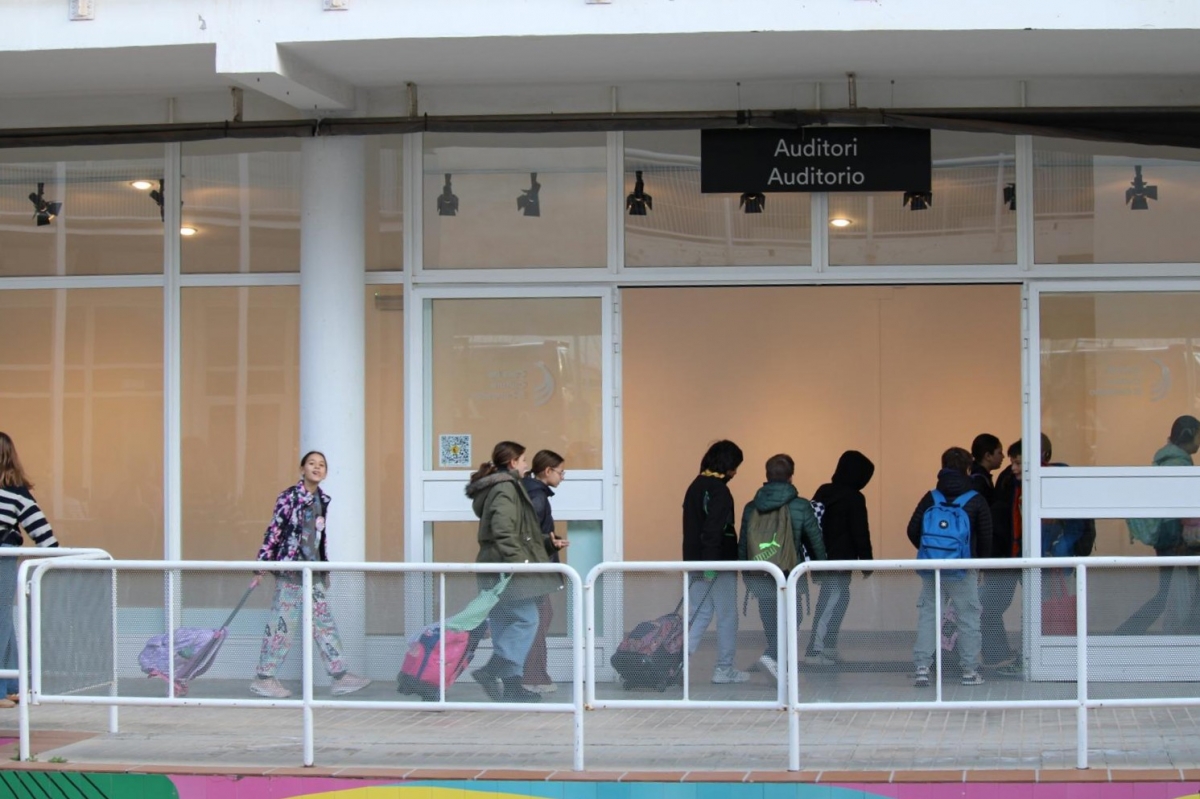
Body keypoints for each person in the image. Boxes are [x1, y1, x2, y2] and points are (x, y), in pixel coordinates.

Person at [251, 451, 370, 699]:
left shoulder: (321, 500)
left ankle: (340, 676)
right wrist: (261, 566)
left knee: (324, 623)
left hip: (312, 572)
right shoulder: (289, 497)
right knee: (282, 625)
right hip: (291, 572)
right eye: (312, 463)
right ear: (302, 469)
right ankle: (264, 678)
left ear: (325, 472)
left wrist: (324, 568)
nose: (317, 468)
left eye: (321, 465)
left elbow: (318, 539)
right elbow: (274, 531)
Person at [466, 441, 561, 703]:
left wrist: (546, 543)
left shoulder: (501, 487)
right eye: (524, 460)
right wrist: (520, 563)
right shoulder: (506, 487)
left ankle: (512, 686)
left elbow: (518, 532)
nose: (527, 465)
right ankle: (492, 669)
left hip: (496, 567)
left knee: (505, 623)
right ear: (512, 462)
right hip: (506, 570)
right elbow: (504, 531)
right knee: (528, 619)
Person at [908, 446, 992, 687]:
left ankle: (922, 668)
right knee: (968, 618)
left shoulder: (931, 497)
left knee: (928, 616)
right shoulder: (975, 499)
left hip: (932, 569)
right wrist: (979, 563)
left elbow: (912, 530)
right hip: (963, 569)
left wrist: (930, 552)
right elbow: (986, 535)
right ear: (968, 468)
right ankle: (969, 671)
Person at [738, 454, 826, 679]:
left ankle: (775, 665)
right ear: (790, 476)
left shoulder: (751, 507)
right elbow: (814, 540)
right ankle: (772, 657)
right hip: (790, 573)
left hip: (761, 573)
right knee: (793, 617)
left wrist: (746, 573)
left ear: (767, 475)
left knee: (770, 619)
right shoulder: (800, 506)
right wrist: (822, 569)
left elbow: (743, 544)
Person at [1117, 415, 1200, 635]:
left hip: (1167, 538)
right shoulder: (1178, 464)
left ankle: (1188, 633)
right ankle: (1126, 633)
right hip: (1178, 539)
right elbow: (1183, 507)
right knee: (1174, 594)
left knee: (1176, 594)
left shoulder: (1166, 460)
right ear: (1189, 435)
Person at [0, 433, 59, 710]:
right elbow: (43, 535)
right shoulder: (17, 493)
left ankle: (6, 688)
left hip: (3, 560)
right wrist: (54, 557)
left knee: (1, 622)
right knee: (3, 622)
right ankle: (12, 685)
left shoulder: (15, 493)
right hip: (4, 559)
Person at [682, 439, 748, 684]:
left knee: (699, 613)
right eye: (735, 467)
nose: (735, 473)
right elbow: (713, 531)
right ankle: (724, 668)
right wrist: (711, 566)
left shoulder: (695, 486)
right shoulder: (719, 491)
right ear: (727, 465)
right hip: (718, 564)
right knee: (727, 615)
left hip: (693, 562)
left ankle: (676, 663)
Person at [806, 450, 875, 666]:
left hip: (821, 559)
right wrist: (867, 563)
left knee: (834, 600)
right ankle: (815, 651)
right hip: (841, 561)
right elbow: (860, 532)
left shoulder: (824, 491)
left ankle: (828, 647)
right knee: (833, 601)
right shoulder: (854, 498)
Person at [520, 450, 569, 694]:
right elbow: (528, 536)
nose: (563, 477)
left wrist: (551, 541)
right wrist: (551, 544)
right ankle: (533, 677)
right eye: (561, 472)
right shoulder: (537, 496)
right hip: (534, 571)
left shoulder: (530, 492)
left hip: (531, 569)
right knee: (538, 619)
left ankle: (535, 674)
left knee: (537, 618)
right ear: (547, 471)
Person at [981, 439, 1023, 670]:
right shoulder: (1008, 481)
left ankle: (998, 654)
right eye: (1012, 461)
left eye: (1018, 462)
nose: (1013, 467)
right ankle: (998, 655)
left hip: (1005, 555)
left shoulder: (1005, 479)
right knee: (992, 606)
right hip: (1007, 555)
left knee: (991, 606)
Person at [969, 434, 1004, 508]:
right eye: (1000, 453)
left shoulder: (978, 477)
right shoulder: (979, 481)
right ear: (988, 456)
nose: (1003, 456)